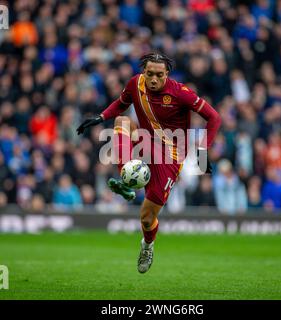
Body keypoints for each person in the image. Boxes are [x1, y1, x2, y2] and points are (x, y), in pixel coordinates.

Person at [76, 53, 221, 273]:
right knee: (122, 121)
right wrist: (100, 116)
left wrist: (202, 152)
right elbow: (121, 104)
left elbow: (214, 117)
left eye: (159, 75)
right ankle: (127, 177)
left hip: (171, 156)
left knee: (146, 218)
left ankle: (147, 245)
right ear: (144, 72)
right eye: (149, 73)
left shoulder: (180, 93)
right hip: (145, 140)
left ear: (167, 75)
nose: (153, 79)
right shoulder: (136, 83)